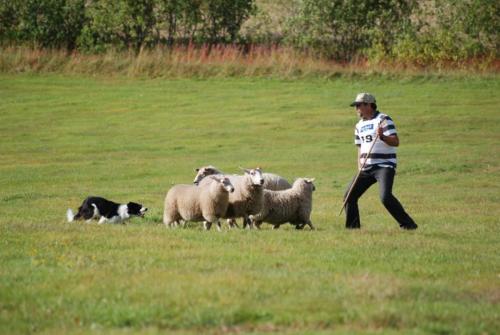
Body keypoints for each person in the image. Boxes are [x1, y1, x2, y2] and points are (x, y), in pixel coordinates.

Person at [343, 93, 417, 230]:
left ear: (369, 105)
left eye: (359, 106)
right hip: (366, 168)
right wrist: (359, 165)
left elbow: (396, 142)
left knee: (385, 197)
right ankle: (353, 229)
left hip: (384, 166)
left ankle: (408, 225)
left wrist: (382, 137)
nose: (356, 109)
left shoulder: (384, 119)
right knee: (349, 195)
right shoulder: (358, 125)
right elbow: (359, 147)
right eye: (356, 106)